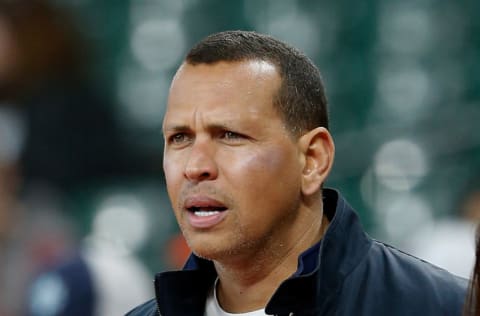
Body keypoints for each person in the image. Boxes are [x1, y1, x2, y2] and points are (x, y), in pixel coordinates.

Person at [127, 30, 467, 316]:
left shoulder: (445, 306)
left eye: (230, 135)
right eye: (180, 138)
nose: (195, 166)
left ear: (312, 159)